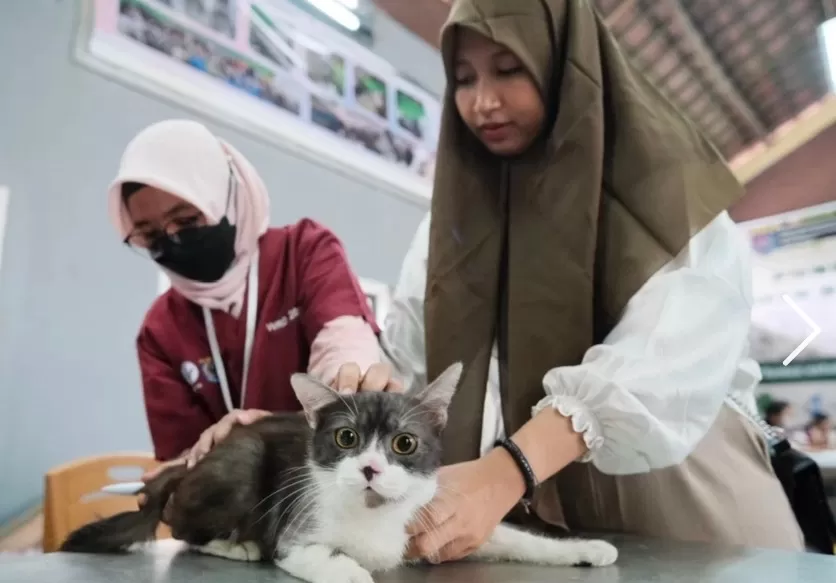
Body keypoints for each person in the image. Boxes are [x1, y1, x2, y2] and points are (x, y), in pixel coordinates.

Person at [375, 0, 804, 561]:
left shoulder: (664, 197)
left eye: (509, 69)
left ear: (567, 66)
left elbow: (662, 364)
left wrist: (506, 471)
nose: (482, 101)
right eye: (463, 78)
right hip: (523, 522)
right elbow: (412, 355)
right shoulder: (454, 222)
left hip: (678, 502)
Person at [108, 119, 390, 471]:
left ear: (226, 197)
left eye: (187, 219)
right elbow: (180, 460)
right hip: (235, 510)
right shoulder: (160, 329)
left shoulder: (302, 252)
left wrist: (349, 388)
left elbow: (344, 346)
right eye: (150, 235)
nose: (172, 240)